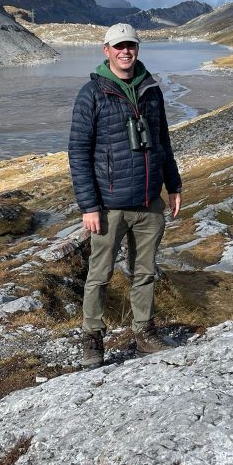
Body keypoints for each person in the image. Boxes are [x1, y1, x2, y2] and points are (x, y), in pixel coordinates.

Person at [68, 22, 182, 368]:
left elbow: (162, 140)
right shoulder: (92, 93)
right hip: (109, 206)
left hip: (149, 203)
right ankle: (93, 338)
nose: (125, 51)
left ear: (137, 48)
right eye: (118, 46)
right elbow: (78, 151)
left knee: (144, 271)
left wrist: (173, 185)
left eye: (130, 45)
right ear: (106, 51)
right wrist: (89, 205)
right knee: (99, 274)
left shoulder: (151, 89)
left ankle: (144, 332)